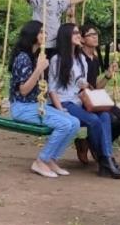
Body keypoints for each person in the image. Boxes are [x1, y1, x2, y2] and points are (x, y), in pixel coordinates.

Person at [49, 23, 120, 179]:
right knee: (94, 121)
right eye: (75, 33)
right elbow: (52, 88)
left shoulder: (80, 60)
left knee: (104, 116)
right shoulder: (57, 59)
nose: (78, 35)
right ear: (66, 37)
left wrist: (85, 84)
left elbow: (83, 84)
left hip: (78, 100)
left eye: (78, 32)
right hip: (64, 102)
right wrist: (59, 109)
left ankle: (106, 159)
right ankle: (105, 159)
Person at [8, 20, 81, 178]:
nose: (45, 35)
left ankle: (51, 159)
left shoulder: (36, 56)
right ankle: (41, 160)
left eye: (45, 32)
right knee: (63, 124)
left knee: (74, 123)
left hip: (36, 105)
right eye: (41, 32)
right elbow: (24, 90)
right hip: (22, 107)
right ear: (32, 35)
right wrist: (39, 70)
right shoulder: (23, 58)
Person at [75, 22, 120, 164]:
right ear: (82, 39)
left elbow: (96, 87)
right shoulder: (78, 58)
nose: (95, 37)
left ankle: (95, 145)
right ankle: (88, 144)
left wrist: (107, 75)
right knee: (97, 119)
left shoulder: (94, 59)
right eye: (91, 35)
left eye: (96, 34)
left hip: (93, 97)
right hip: (79, 99)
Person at [10, 0, 89, 60]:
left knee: (53, 68)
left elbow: (70, 1)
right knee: (41, 68)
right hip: (41, 43)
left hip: (56, 43)